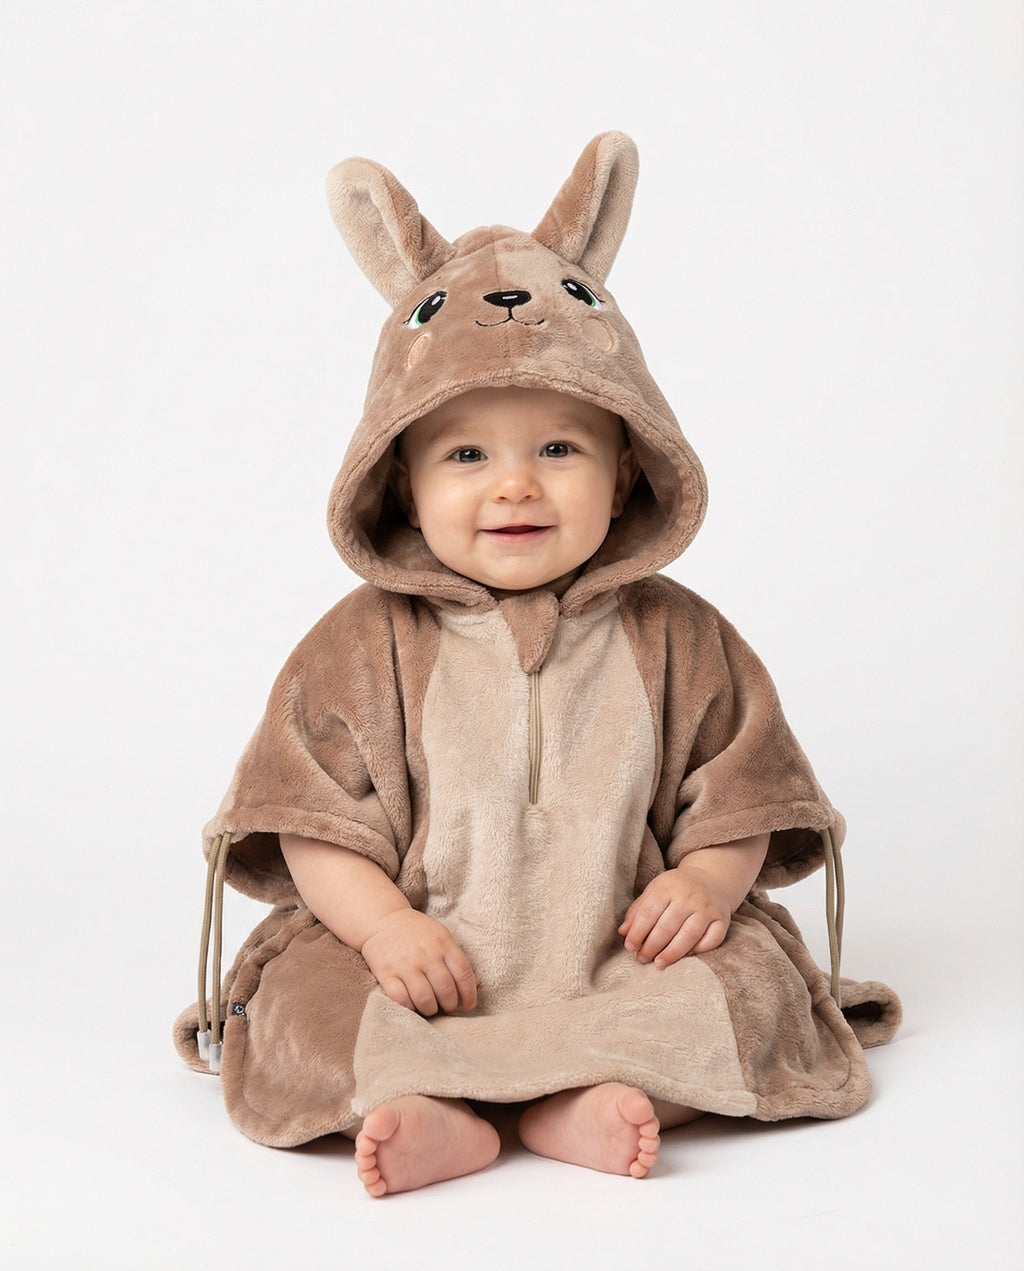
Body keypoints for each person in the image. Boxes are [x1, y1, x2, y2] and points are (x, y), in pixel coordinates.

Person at [175, 133, 900, 1198]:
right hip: (417, 964)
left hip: (622, 954)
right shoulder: (359, 643)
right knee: (299, 1006)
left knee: (750, 991)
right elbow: (310, 819)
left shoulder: (679, 633)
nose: (514, 485)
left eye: (559, 448)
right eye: (466, 454)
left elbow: (739, 788)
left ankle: (595, 1093)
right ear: (401, 482)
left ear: (626, 472)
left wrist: (706, 880)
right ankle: (429, 1105)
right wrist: (383, 926)